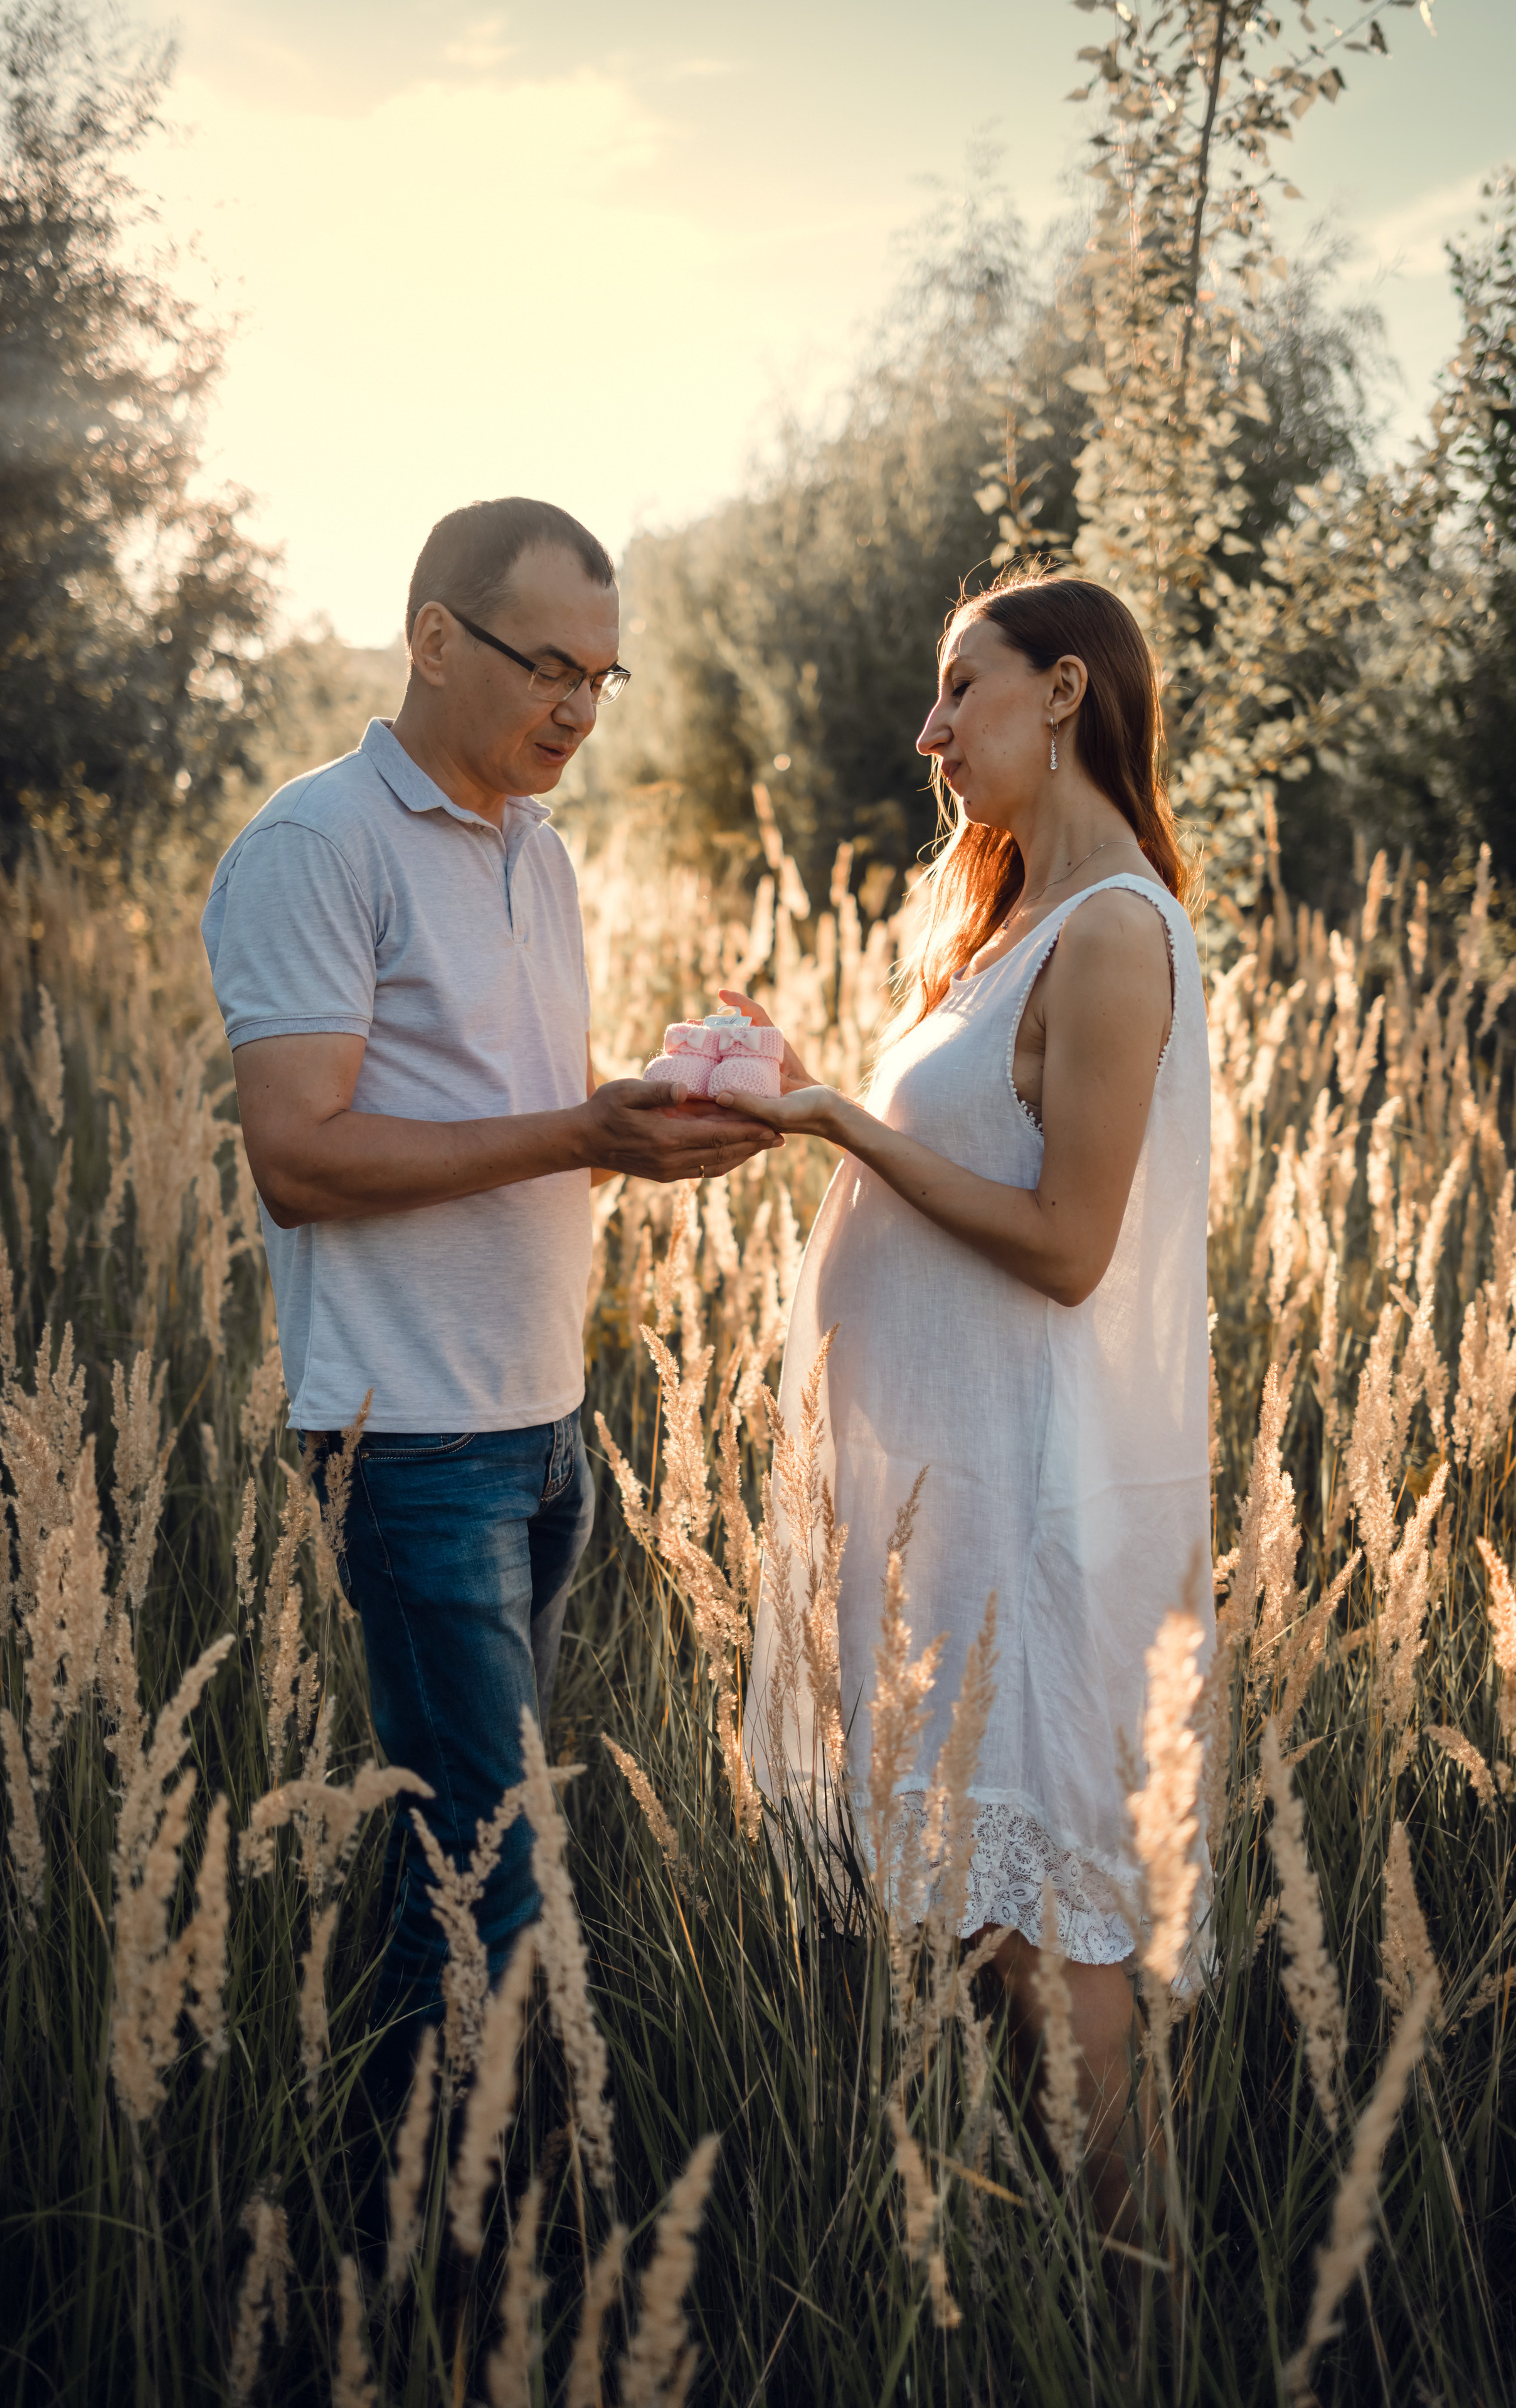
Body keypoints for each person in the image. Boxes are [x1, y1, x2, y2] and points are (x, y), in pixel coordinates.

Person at [202, 497, 777, 2090]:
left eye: (605, 677)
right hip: (411, 1443)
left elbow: (512, 1120)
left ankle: (430, 2188)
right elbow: (298, 1159)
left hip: (541, 1429)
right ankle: (436, 2225)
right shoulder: (317, 846)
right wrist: (580, 1131)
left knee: (462, 1866)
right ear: (434, 639)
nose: (581, 709)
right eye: (550, 668)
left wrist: (647, 1130)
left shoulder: (542, 848)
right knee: (495, 1891)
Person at [721, 569, 1212, 2230]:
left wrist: (841, 1126)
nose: (928, 733)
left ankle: (1147, 2309)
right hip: (938, 1500)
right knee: (982, 1920)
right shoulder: (1006, 926)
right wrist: (807, 1092)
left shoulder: (1116, 931)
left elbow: (1069, 1246)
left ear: (1064, 691)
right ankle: (1053, 2278)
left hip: (1018, 1504)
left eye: (960, 688)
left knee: (1047, 1936)